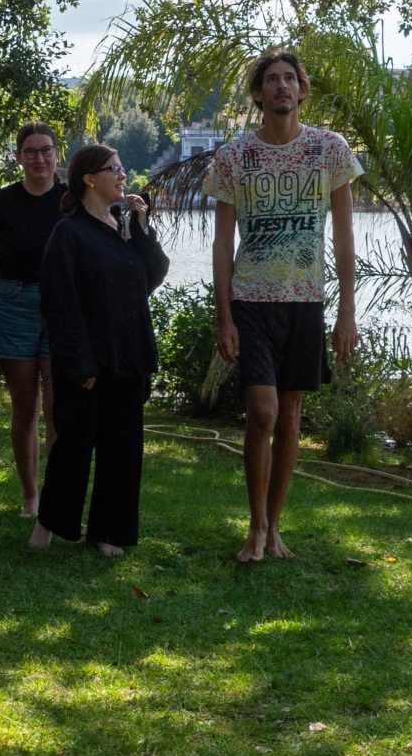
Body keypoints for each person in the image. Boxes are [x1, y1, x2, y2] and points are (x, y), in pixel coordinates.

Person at [206, 48, 361, 563]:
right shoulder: (234, 157)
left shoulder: (330, 150)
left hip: (306, 301)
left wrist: (346, 312)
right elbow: (222, 243)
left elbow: (344, 237)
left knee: (290, 417)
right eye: (271, 79)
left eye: (289, 79)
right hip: (251, 301)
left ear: (301, 89)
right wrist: (224, 316)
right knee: (262, 412)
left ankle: (274, 527)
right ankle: (254, 526)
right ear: (258, 93)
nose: (281, 86)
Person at [32, 145, 171, 555]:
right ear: (90, 179)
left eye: (122, 168)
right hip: (89, 360)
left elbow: (153, 275)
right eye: (115, 169)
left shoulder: (124, 229)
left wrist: (142, 226)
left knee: (122, 451)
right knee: (73, 447)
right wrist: (80, 363)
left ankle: (107, 532)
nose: (123, 175)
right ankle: (48, 523)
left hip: (129, 355)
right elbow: (59, 302)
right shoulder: (69, 233)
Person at [0, 121, 65, 516]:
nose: (39, 159)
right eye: (30, 152)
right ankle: (31, 499)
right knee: (25, 409)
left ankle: (58, 500)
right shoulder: (2, 201)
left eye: (46, 151)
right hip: (13, 305)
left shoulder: (72, 200)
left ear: (57, 154)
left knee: (58, 410)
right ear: (19, 157)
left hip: (62, 307)